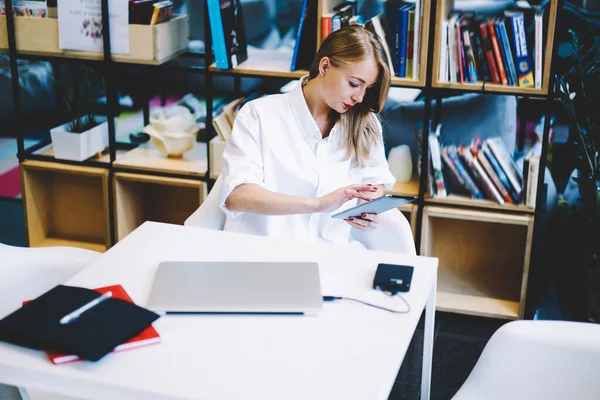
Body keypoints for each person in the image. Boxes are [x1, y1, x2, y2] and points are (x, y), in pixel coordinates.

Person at [219, 25, 396, 247]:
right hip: (264, 254)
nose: (359, 97)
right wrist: (317, 204)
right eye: (353, 84)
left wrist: (369, 209)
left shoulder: (364, 124)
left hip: (331, 254)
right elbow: (237, 197)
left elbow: (374, 182)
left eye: (367, 89)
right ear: (324, 66)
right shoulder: (259, 115)